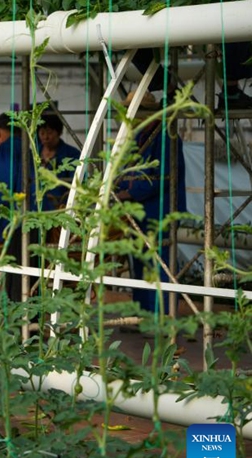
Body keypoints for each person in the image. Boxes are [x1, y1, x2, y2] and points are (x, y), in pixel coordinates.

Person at [116, 92, 187, 316]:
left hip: (160, 210)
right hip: (140, 211)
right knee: (139, 263)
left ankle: (162, 316)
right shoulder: (137, 137)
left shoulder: (166, 135)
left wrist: (129, 192)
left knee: (161, 264)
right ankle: (143, 313)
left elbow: (165, 176)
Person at [0, 112, 35, 303]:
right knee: (30, 269)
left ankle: (17, 318)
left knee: (15, 268)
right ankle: (29, 319)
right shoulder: (26, 146)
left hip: (16, 219)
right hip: (32, 216)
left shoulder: (7, 148)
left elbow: (5, 185)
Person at [37, 113, 81, 212]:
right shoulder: (33, 154)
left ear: (59, 132)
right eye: (42, 133)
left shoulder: (71, 154)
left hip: (61, 208)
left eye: (49, 133)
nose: (45, 137)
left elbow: (76, 183)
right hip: (36, 208)